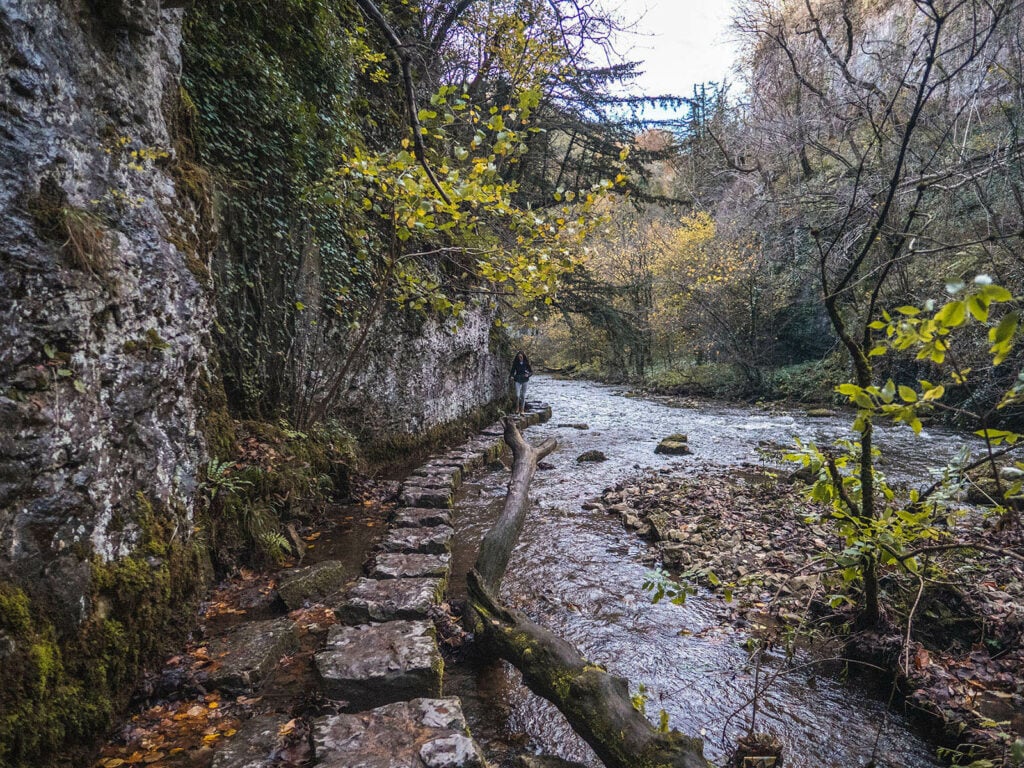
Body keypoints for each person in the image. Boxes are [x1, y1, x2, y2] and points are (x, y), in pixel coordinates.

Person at [509, 351, 533, 415]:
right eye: (519, 357)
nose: (520, 358)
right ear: (517, 357)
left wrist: (528, 375)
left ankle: (522, 410)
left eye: (521, 357)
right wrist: (511, 376)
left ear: (523, 357)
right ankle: (517, 408)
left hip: (525, 380)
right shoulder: (515, 363)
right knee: (517, 395)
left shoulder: (526, 363)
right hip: (517, 379)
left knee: (523, 395)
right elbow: (512, 372)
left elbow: (531, 372)